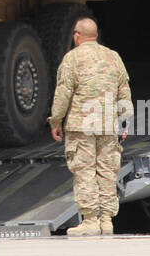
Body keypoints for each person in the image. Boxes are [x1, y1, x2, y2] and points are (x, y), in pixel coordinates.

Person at [49, 16, 132, 237]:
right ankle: (107, 221)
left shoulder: (72, 58)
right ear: (95, 35)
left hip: (81, 125)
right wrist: (125, 122)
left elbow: (64, 92)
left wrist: (56, 121)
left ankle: (90, 221)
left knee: (85, 171)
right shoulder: (113, 57)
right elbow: (124, 92)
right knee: (107, 171)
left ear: (77, 36)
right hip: (108, 124)